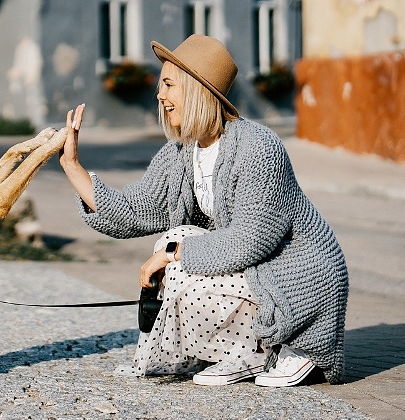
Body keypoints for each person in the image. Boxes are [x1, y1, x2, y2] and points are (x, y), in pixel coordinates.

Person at [58, 35, 348, 387]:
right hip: (256, 272)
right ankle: (242, 353)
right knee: (174, 239)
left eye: (168, 85)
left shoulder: (258, 147)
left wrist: (171, 256)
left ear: (196, 89)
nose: (160, 95)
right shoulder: (181, 152)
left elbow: (250, 240)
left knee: (176, 254)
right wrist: (73, 166)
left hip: (297, 279)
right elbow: (136, 209)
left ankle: (282, 347)